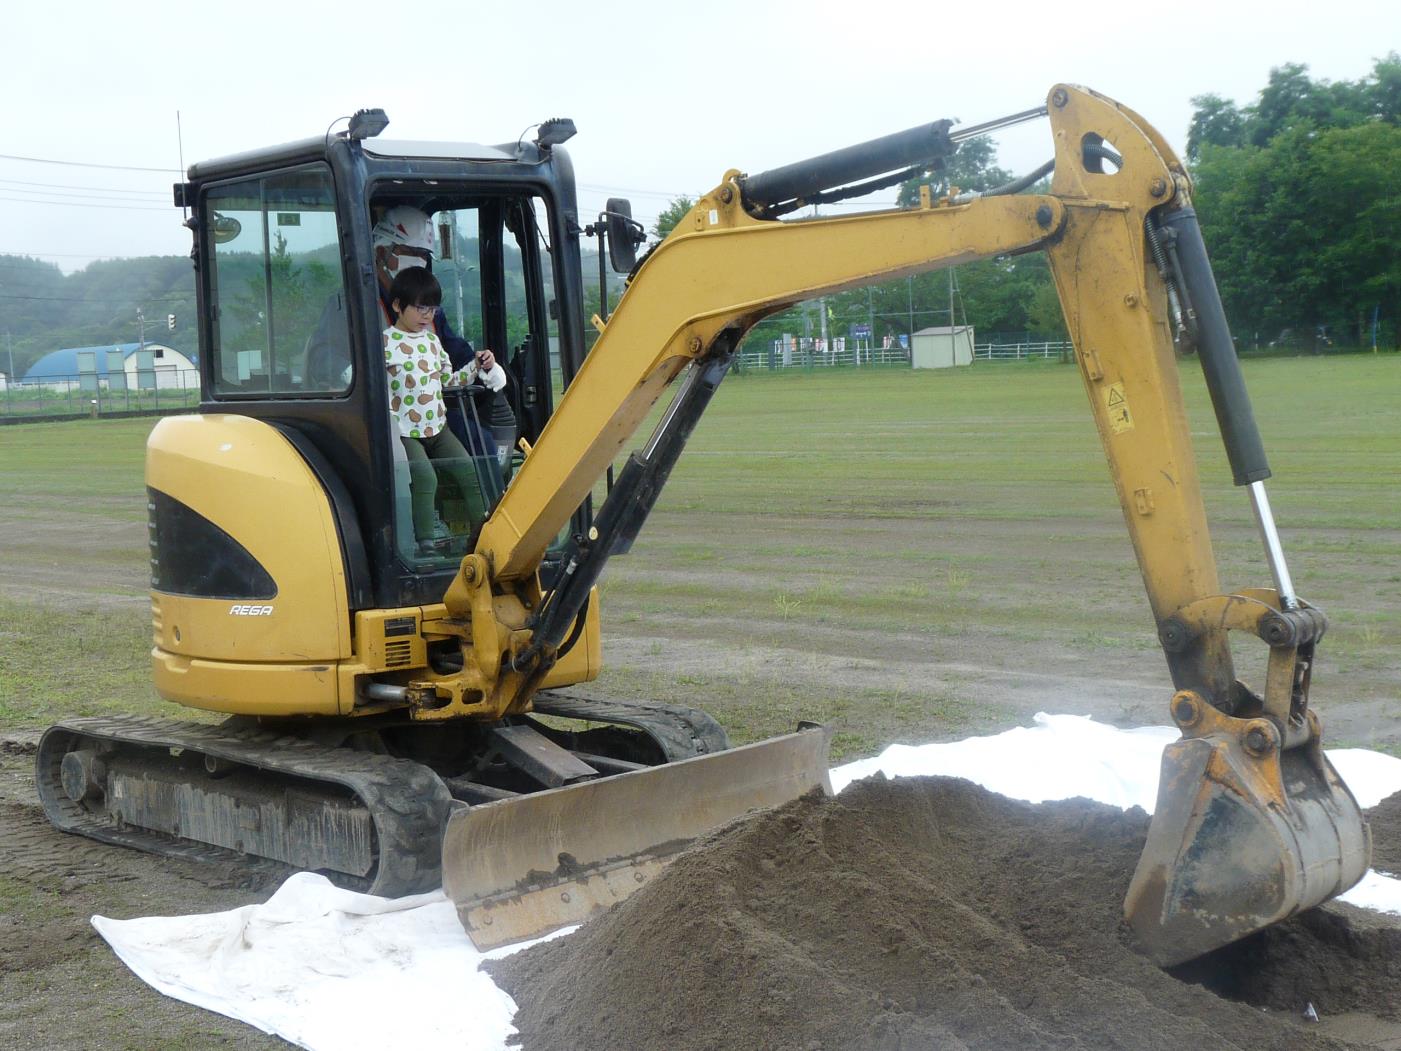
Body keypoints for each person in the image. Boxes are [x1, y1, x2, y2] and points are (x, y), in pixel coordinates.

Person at [303, 205, 507, 460]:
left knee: (480, 442)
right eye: (411, 252)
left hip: (425, 408)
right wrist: (360, 376)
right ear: (381, 252)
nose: (420, 262)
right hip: (377, 416)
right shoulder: (350, 306)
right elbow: (321, 357)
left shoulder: (430, 312)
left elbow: (457, 354)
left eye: (424, 255)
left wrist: (484, 366)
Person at [384, 265, 507, 552]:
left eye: (433, 309)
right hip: (404, 432)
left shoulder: (433, 342)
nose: (428, 315)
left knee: (468, 471)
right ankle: (425, 545)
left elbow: (448, 382)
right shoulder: (384, 342)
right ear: (398, 306)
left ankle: (486, 538)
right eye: (421, 308)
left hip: (438, 427)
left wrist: (477, 365)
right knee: (426, 477)